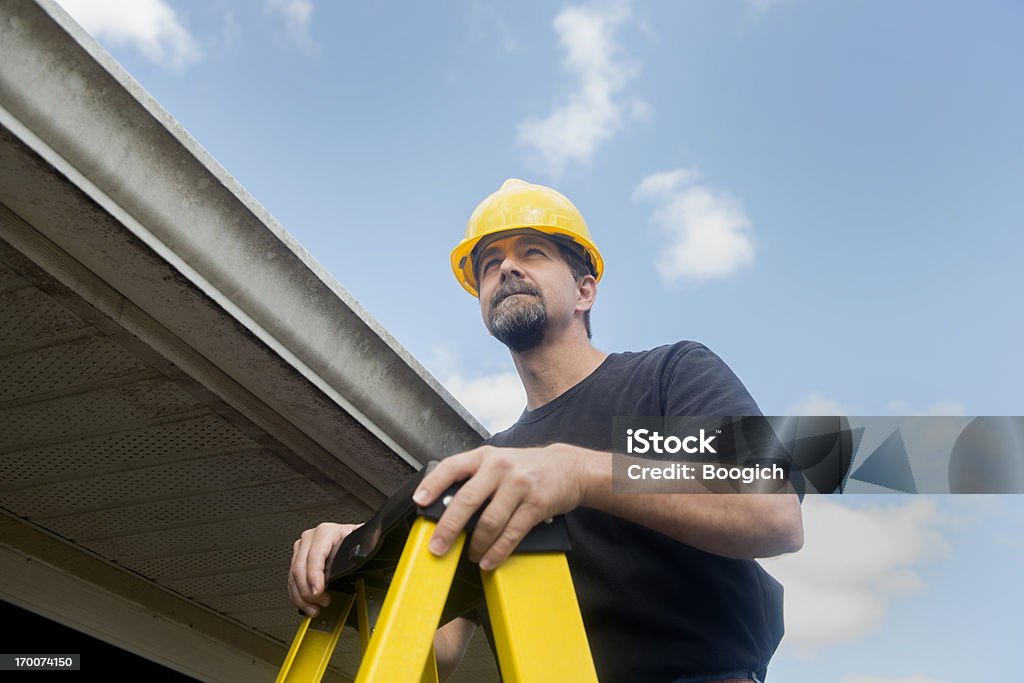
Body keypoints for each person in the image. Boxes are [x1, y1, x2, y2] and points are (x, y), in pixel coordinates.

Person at [288, 179, 804, 682]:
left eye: (532, 252)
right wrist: (360, 556)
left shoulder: (664, 379)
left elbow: (772, 511)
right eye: (490, 264)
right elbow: (441, 650)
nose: (506, 267)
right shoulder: (496, 461)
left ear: (585, 292)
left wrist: (579, 472)